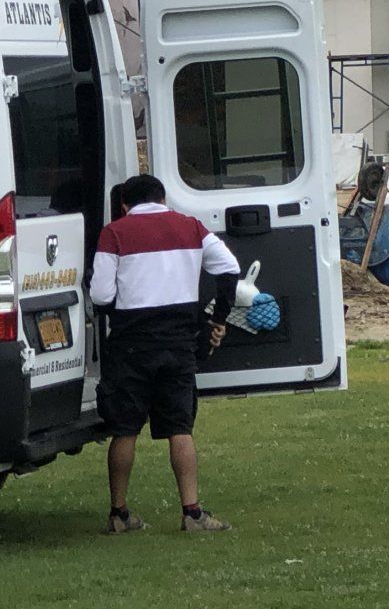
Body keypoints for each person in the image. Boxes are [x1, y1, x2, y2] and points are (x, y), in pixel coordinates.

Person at [88, 174, 242, 534]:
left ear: (125, 204)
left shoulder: (114, 233)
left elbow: (100, 296)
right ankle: (192, 512)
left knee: (125, 429)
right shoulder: (191, 227)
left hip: (130, 344)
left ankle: (119, 513)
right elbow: (230, 269)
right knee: (180, 427)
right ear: (163, 198)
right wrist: (216, 319)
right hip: (179, 343)